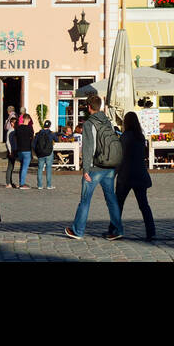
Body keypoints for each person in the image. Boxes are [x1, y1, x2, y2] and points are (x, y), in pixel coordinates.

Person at [64, 95, 125, 239]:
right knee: (111, 199)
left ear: (89, 107)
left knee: (85, 200)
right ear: (100, 106)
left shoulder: (89, 124)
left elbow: (88, 148)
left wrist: (85, 169)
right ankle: (118, 230)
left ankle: (78, 231)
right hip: (109, 166)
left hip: (94, 167)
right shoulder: (108, 122)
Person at [107, 111, 155, 241]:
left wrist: (113, 174)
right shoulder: (141, 137)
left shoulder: (125, 137)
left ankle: (114, 229)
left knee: (118, 204)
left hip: (126, 176)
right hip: (140, 175)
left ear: (126, 123)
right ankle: (151, 231)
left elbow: (119, 158)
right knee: (144, 205)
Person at [14, 113, 36, 189]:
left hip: (19, 149)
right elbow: (32, 138)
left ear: (22, 119)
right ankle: (22, 184)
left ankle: (21, 182)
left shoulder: (18, 128)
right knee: (25, 167)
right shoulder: (30, 128)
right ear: (29, 120)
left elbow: (16, 137)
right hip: (27, 149)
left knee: (22, 166)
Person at [34, 120, 55, 190]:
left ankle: (40, 185)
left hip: (40, 154)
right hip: (49, 153)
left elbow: (34, 144)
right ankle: (49, 185)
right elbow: (57, 139)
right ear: (49, 126)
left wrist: (36, 152)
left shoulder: (39, 133)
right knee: (48, 169)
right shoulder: (51, 133)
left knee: (40, 169)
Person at [5, 112, 19, 187]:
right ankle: (8, 183)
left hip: (14, 151)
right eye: (14, 123)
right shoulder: (10, 131)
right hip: (11, 151)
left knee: (12, 166)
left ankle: (10, 182)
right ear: (11, 123)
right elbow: (8, 143)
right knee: (10, 167)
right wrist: (10, 151)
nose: (15, 124)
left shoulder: (15, 130)